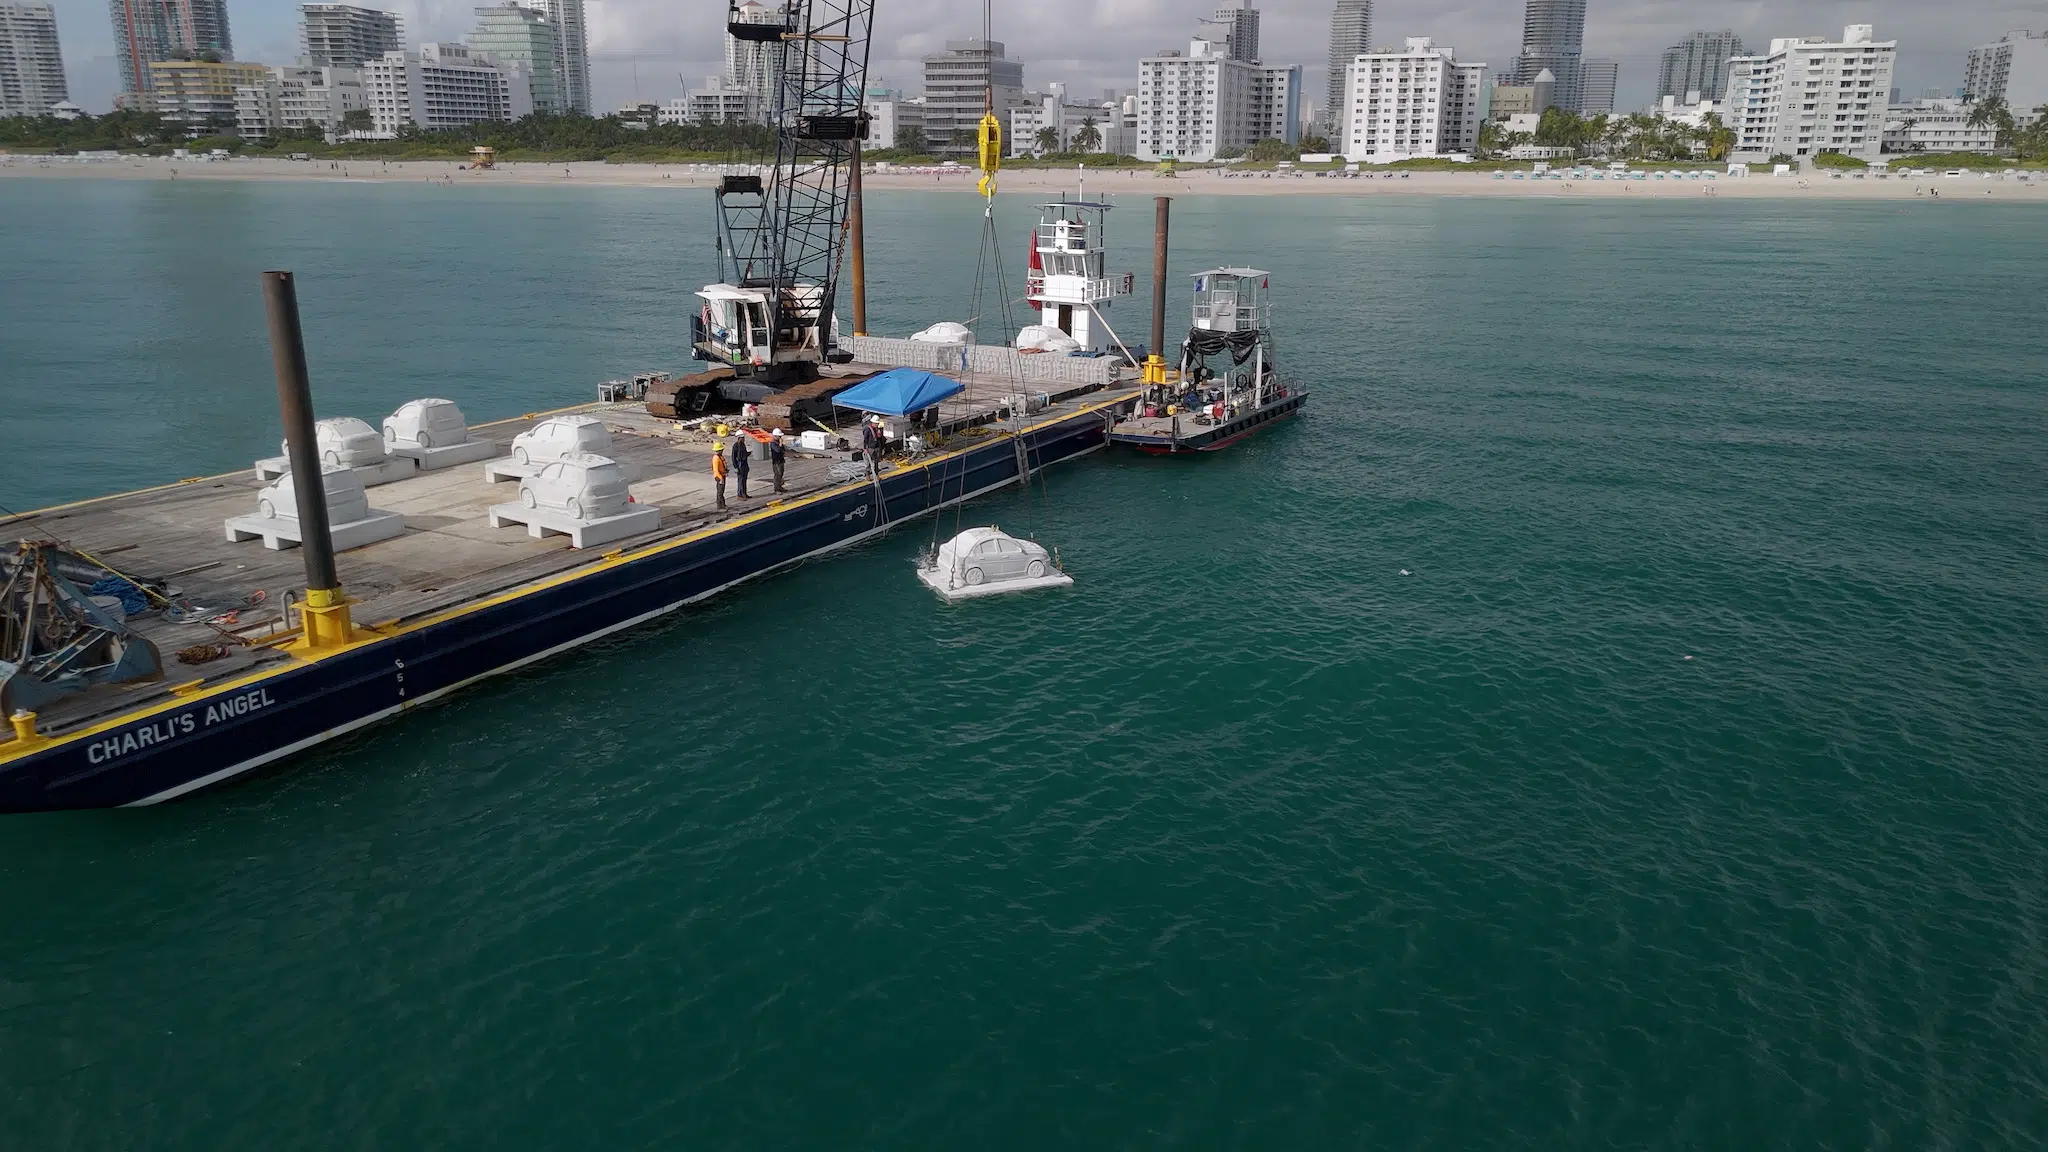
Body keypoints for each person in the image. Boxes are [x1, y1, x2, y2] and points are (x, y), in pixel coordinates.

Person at [731, 434, 751, 499]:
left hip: (744, 464)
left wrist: (748, 453)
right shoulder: (735, 446)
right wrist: (735, 467)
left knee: (744, 480)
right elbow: (733, 457)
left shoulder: (743, 445)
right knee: (740, 480)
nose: (744, 439)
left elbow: (743, 454)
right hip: (739, 465)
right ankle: (739, 495)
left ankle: (744, 493)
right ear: (739, 438)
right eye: (742, 438)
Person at [710, 441, 728, 509]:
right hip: (719, 477)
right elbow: (716, 470)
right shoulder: (716, 458)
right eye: (721, 450)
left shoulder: (720, 457)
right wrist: (720, 479)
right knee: (720, 492)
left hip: (722, 475)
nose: (722, 451)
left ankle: (723, 505)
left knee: (722, 491)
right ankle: (719, 506)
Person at [769, 429, 787, 493]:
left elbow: (783, 450)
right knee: (777, 475)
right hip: (776, 462)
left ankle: (780, 487)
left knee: (781, 474)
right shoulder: (773, 443)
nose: (780, 438)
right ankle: (776, 489)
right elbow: (778, 450)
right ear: (775, 436)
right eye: (779, 436)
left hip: (781, 461)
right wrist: (780, 444)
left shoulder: (778, 443)